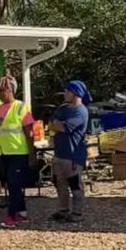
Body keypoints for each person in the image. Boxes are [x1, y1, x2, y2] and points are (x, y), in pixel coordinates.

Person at [0, 75, 35, 228]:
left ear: (12, 90)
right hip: (2, 152)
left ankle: (11, 215)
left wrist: (31, 153)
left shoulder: (20, 107)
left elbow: (29, 132)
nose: (2, 94)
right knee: (10, 184)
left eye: (4, 90)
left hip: (18, 152)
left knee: (14, 183)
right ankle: (22, 213)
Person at [51, 80, 91, 222]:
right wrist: (56, 123)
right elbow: (52, 123)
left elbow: (63, 127)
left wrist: (58, 123)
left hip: (73, 155)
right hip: (60, 154)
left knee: (74, 185)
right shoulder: (63, 108)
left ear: (76, 93)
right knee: (59, 183)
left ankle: (77, 213)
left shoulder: (81, 111)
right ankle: (63, 210)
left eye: (68, 91)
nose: (65, 94)